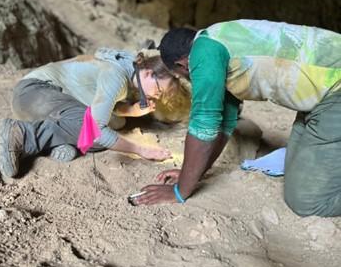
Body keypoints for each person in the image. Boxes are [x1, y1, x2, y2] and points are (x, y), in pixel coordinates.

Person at [136, 19, 341, 217]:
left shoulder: (203, 55)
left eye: (181, 76)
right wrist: (192, 174)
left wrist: (180, 191)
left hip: (335, 91)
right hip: (320, 97)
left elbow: (204, 126)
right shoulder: (215, 39)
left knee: (306, 201)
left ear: (183, 64)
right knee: (295, 165)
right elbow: (224, 123)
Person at [0, 48, 178, 179]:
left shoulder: (126, 68)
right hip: (34, 93)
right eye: (159, 90)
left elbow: (99, 101)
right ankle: (21, 133)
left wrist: (131, 111)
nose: (157, 95)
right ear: (148, 73)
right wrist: (141, 150)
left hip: (47, 105)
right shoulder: (116, 76)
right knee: (97, 133)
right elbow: (97, 127)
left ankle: (52, 143)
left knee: (112, 129)